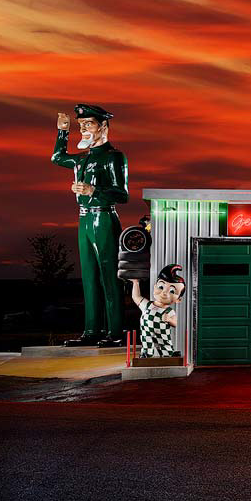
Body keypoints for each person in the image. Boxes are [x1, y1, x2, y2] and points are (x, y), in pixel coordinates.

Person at [51, 104, 129, 347]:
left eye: (89, 124)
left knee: (109, 275)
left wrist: (94, 190)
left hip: (104, 217)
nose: (83, 129)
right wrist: (62, 132)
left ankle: (115, 331)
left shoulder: (114, 156)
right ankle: (92, 330)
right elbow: (57, 157)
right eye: (81, 125)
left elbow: (122, 194)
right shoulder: (82, 158)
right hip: (84, 219)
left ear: (103, 126)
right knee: (89, 277)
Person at [130, 264, 184, 359]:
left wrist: (169, 320)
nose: (164, 292)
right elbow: (136, 297)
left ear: (178, 300)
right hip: (147, 330)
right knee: (147, 341)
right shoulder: (147, 305)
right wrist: (135, 283)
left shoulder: (169, 311)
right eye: (161, 286)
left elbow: (175, 323)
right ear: (155, 286)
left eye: (172, 291)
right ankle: (146, 354)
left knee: (164, 342)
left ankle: (169, 354)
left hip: (162, 332)